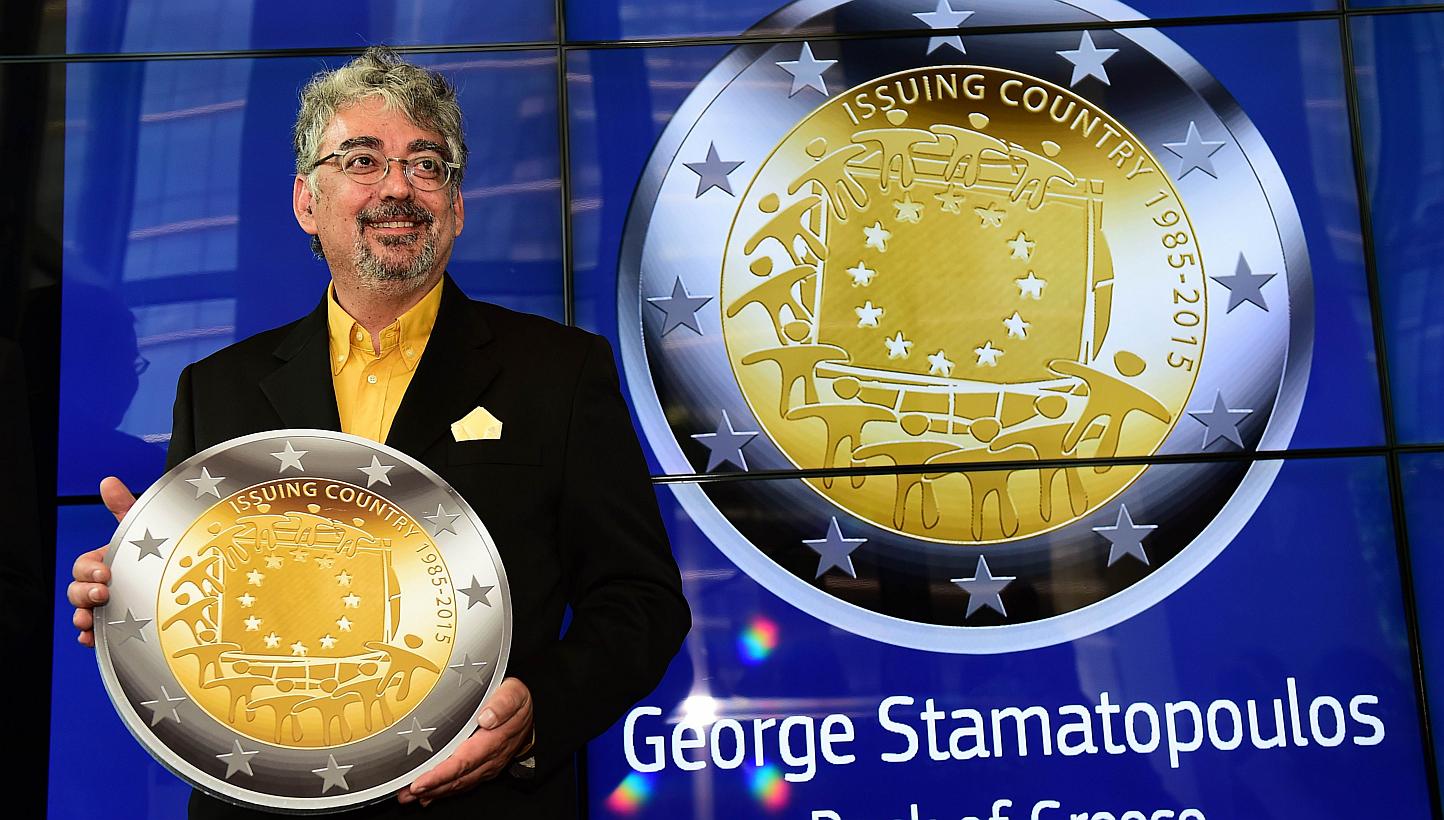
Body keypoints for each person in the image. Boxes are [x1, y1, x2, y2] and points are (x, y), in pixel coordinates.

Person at [65, 46, 690, 819]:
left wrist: (538, 713)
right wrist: (138, 585)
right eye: (363, 159)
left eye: (427, 164)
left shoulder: (558, 375)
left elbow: (641, 601)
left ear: (456, 207)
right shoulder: (218, 391)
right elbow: (214, 617)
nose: (398, 185)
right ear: (306, 202)